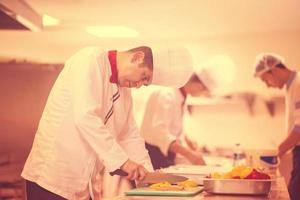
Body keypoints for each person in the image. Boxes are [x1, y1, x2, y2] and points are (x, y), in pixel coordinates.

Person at [21, 46, 193, 200]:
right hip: (51, 179)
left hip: (82, 185)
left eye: (145, 83)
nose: (139, 85)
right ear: (137, 57)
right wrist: (124, 162)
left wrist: (149, 178)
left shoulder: (125, 93)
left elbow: (129, 136)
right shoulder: (90, 59)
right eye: (143, 77)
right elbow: (85, 117)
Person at [140, 59, 229, 170]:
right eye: (205, 93)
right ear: (199, 86)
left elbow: (173, 127)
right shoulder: (166, 94)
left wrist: (188, 141)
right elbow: (159, 132)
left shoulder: (182, 96)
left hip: (164, 154)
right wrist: (188, 154)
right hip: (152, 155)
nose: (203, 95)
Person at [253, 53, 300, 200]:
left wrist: (277, 152)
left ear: (272, 70)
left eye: (265, 79)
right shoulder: (292, 85)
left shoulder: (299, 83)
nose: (267, 85)